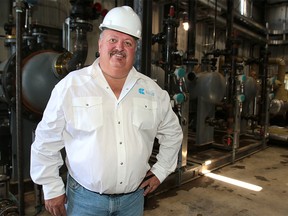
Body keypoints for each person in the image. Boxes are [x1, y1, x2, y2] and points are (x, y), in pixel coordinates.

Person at [30, 5, 183, 216]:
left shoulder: (152, 91)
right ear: (100, 43)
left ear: (134, 49)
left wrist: (161, 170)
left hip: (133, 201)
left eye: (128, 42)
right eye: (113, 40)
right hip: (84, 201)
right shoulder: (71, 86)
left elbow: (173, 133)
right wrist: (51, 186)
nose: (119, 47)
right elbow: (46, 140)